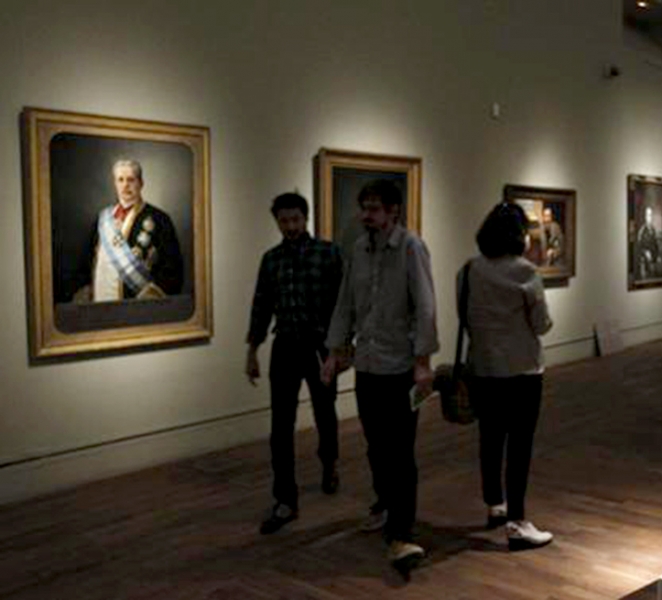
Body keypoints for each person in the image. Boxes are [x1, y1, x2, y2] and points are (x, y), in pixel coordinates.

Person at [322, 179, 439, 571]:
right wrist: (334, 352)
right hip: (368, 365)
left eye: (374, 209)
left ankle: (403, 532)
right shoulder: (359, 250)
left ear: (393, 211)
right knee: (375, 445)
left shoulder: (411, 248)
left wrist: (423, 362)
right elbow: (345, 303)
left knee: (400, 451)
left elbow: (425, 307)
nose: (366, 216)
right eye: (364, 208)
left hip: (400, 367)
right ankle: (385, 504)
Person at [246, 192, 343, 535]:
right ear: (277, 222)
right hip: (285, 345)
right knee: (280, 425)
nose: (290, 226)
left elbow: (343, 303)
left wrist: (339, 349)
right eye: (284, 220)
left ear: (306, 218)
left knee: (325, 413)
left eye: (295, 219)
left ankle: (329, 462)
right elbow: (261, 304)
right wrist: (252, 350)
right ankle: (285, 498)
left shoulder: (328, 253)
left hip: (320, 346)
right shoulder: (271, 259)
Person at [458, 202, 553, 551]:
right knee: (520, 444)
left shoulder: (468, 270)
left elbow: (464, 317)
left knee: (490, 438)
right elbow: (541, 324)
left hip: (483, 369)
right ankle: (517, 522)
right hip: (522, 371)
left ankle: (494, 504)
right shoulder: (525, 272)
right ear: (518, 235)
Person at [74, 159, 184, 302]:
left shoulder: (159, 219)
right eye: (120, 180)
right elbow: (87, 262)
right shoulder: (102, 219)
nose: (125, 185)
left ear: (141, 183)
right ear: (115, 184)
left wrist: (154, 298)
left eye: (131, 180)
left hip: (137, 307)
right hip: (99, 302)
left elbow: (173, 268)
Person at [637, 205, 660, 279]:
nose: (649, 217)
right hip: (645, 265)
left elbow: (656, 245)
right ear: (645, 217)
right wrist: (645, 253)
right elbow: (638, 249)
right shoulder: (642, 232)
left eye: (651, 215)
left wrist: (658, 256)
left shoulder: (653, 230)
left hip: (654, 263)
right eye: (648, 215)